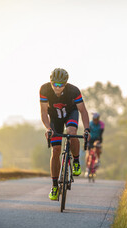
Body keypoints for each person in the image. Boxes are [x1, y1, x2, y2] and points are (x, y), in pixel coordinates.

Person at [40, 68, 91, 201]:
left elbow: (83, 111)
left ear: (66, 83)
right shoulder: (44, 89)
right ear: (51, 82)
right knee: (56, 150)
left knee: (71, 132)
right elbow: (44, 112)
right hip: (54, 119)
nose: (57, 87)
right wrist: (47, 128)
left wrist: (87, 130)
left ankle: (75, 161)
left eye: (61, 84)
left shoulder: (74, 91)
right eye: (55, 84)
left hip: (70, 114)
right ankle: (55, 185)